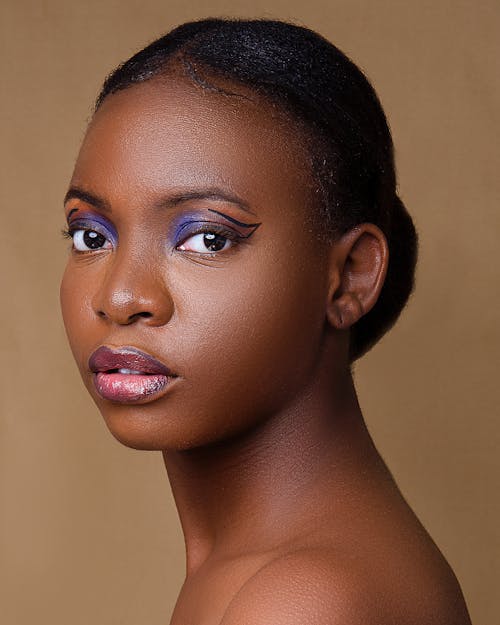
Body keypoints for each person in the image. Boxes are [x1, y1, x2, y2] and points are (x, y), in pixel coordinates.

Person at [60, 17, 472, 625]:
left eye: (205, 239)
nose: (120, 297)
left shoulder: (307, 600)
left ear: (351, 275)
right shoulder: (263, 572)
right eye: (91, 233)